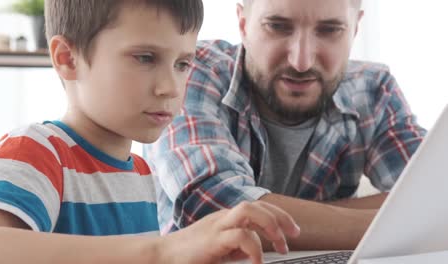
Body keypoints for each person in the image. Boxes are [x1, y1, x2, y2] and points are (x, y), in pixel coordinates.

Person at [0, 1, 301, 263]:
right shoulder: (36, 152)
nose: (171, 88)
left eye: (182, 64)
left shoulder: (142, 172)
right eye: (145, 58)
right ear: (68, 59)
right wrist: (164, 251)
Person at [144, 0, 427, 250]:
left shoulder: (374, 90)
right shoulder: (192, 71)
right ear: (243, 24)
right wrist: (394, 223)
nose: (301, 61)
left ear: (354, 29)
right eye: (277, 26)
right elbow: (218, 213)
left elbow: (435, 195)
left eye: (329, 30)